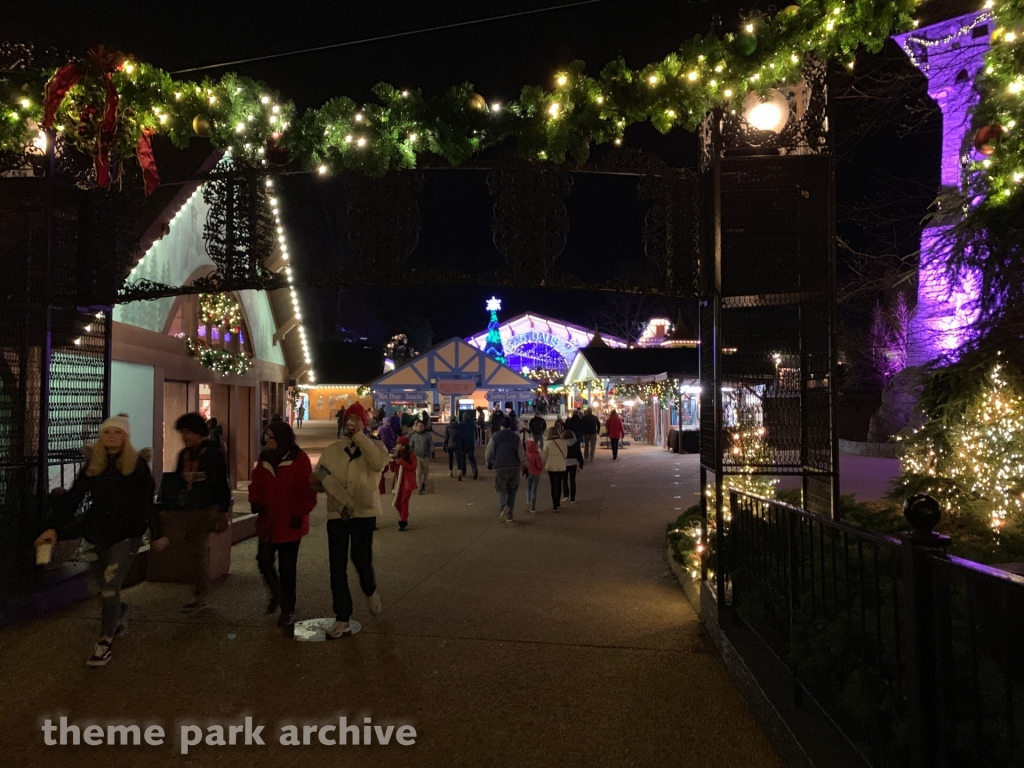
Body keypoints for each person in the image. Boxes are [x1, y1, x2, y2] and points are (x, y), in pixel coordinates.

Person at [34, 414, 163, 667]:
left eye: (116, 433)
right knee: (97, 586)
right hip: (96, 532)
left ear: (125, 437)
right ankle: (120, 611)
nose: (111, 437)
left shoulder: (137, 465)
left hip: (126, 534)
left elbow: (147, 502)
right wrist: (53, 528)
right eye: (107, 432)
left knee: (109, 586)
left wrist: (157, 533)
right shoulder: (94, 464)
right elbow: (73, 498)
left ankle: (104, 641)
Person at [312, 402, 388, 639]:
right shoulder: (332, 450)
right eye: (348, 419)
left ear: (364, 424)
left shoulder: (376, 447)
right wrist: (317, 483)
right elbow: (321, 475)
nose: (351, 423)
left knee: (361, 557)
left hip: (364, 513)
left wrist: (362, 438)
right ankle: (342, 616)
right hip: (337, 513)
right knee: (337, 565)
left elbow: (377, 464)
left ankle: (370, 589)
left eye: (357, 420)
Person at [249, 421, 317, 638]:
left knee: (288, 569)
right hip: (268, 522)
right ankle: (277, 594)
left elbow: (307, 491)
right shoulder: (265, 459)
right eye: (265, 436)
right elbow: (256, 483)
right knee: (264, 559)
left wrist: (300, 514)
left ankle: (288, 609)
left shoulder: (299, 460)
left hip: (290, 523)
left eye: (270, 436)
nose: (266, 440)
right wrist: (255, 500)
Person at [164, 412, 232, 613]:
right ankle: (199, 590)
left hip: (205, 510)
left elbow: (221, 484)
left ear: (200, 432)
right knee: (190, 551)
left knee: (196, 551)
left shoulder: (213, 454)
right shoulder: (183, 455)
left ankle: (200, 593)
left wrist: (222, 512)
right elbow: (177, 482)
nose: (186, 437)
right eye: (183, 433)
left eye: (190, 433)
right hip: (186, 510)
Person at [485, 416, 526, 522]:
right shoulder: (516, 438)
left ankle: (504, 506)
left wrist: (489, 462)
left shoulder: (496, 436)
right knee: (512, 491)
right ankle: (510, 516)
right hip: (514, 467)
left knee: (500, 488)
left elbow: (489, 451)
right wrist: (525, 466)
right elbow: (521, 454)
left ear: (500, 425)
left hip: (500, 466)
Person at [387, 436, 418, 531]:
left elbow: (413, 467)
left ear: (403, 446)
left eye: (398, 444)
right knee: (396, 502)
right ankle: (404, 515)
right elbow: (393, 470)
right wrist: (391, 462)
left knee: (404, 501)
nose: (396, 445)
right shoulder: (398, 455)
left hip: (407, 482)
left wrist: (401, 462)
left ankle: (403, 520)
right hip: (398, 482)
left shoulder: (411, 456)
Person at [542, 426, 569, 512]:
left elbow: (545, 455)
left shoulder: (547, 443)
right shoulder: (563, 442)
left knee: (553, 485)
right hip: (561, 465)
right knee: (559, 484)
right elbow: (565, 455)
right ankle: (558, 502)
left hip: (551, 465)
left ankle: (555, 504)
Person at [409, 419, 433, 494]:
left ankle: (423, 483)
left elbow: (431, 444)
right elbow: (411, 446)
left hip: (425, 456)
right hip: (417, 456)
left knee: (426, 472)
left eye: (421, 426)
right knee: (418, 472)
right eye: (418, 426)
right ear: (416, 427)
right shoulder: (413, 436)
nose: (420, 427)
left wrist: (432, 451)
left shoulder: (427, 435)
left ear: (424, 427)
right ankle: (419, 487)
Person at [563, 429, 585, 504]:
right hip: (573, 463)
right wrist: (581, 464)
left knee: (564, 480)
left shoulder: (562, 444)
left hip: (564, 463)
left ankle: (566, 495)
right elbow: (579, 455)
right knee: (572, 481)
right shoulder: (576, 443)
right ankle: (573, 498)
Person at [524, 439, 545, 513]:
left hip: (528, 473)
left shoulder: (525, 454)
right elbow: (540, 466)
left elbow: (522, 465)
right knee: (534, 490)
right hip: (536, 474)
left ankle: (528, 502)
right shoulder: (536, 455)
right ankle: (533, 507)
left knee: (528, 489)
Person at [460, 410, 479, 480]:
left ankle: (463, 472)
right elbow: (476, 435)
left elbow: (460, 435)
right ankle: (475, 469)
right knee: (471, 457)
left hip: (463, 444)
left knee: (463, 458)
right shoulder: (473, 424)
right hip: (471, 443)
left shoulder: (461, 425)